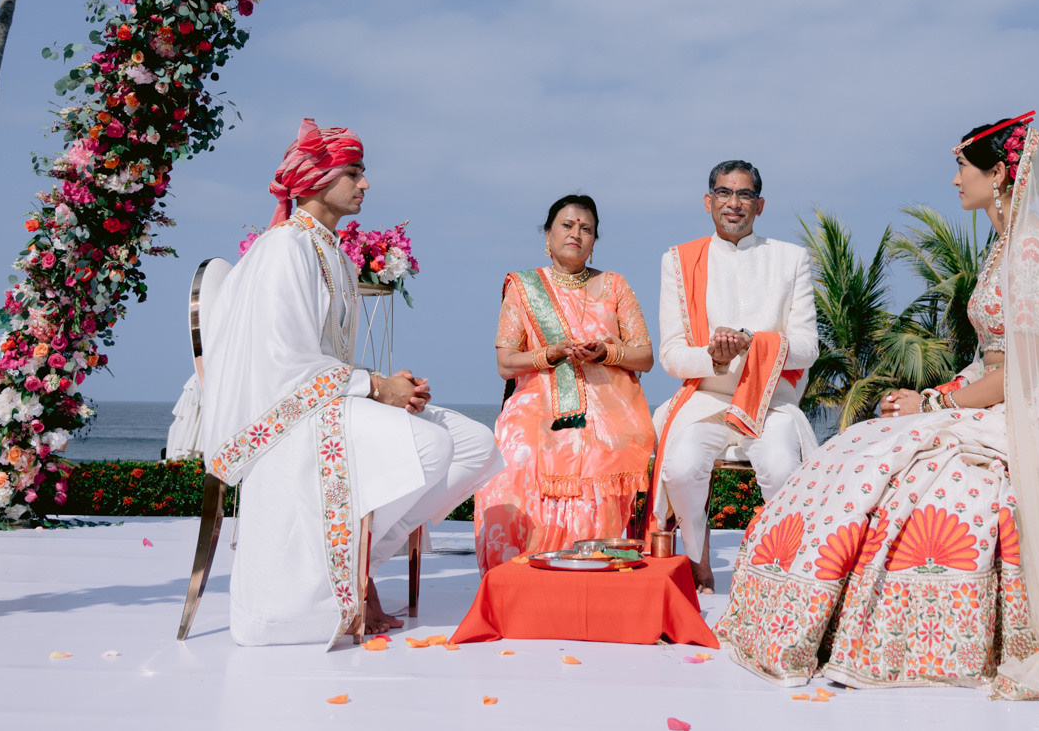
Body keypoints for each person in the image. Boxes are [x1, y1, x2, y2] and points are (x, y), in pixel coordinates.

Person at [715, 115, 1039, 699]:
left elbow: (1027, 369)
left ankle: (906, 635)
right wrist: (932, 400)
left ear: (997, 174)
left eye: (962, 168)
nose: (954, 181)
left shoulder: (1035, 246)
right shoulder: (1005, 243)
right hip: (998, 395)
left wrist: (936, 400)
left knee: (915, 474)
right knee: (866, 447)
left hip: (1034, 409)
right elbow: (994, 357)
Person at [199, 120, 502, 645]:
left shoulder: (332, 254)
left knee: (476, 444)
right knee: (429, 443)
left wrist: (390, 385)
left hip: (325, 397)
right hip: (284, 414)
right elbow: (282, 362)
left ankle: (359, 561)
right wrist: (377, 387)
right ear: (317, 177)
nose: (365, 185)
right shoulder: (282, 250)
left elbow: (323, 355)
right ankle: (346, 576)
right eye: (354, 173)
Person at [650, 159, 818, 592]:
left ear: (759, 205)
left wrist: (753, 341)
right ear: (709, 201)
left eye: (744, 195)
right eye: (724, 193)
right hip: (707, 399)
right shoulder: (678, 260)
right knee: (683, 466)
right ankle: (695, 560)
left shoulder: (791, 259)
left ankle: (781, 568)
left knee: (782, 467)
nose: (734, 203)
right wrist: (716, 358)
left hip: (769, 402)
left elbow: (807, 345)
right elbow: (671, 356)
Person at [472, 194, 657, 568]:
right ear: (548, 235)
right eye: (567, 225)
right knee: (519, 452)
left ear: (594, 243)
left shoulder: (614, 285)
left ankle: (589, 562)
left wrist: (605, 353)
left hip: (608, 403)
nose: (576, 233)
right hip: (537, 399)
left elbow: (645, 356)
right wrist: (551, 354)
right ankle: (519, 569)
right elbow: (506, 363)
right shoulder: (523, 287)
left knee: (602, 448)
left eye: (586, 229)